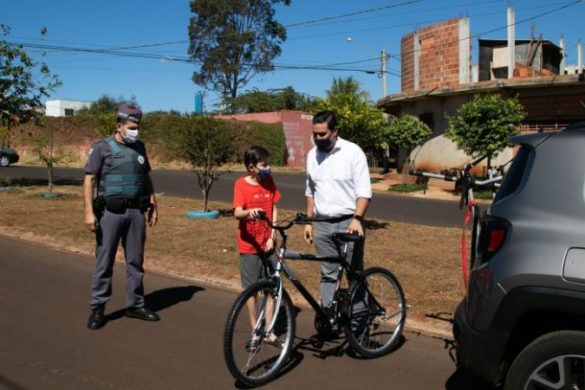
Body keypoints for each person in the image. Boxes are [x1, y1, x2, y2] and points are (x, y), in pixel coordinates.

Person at [83, 104, 159, 330]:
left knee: (136, 262)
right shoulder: (102, 148)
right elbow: (89, 180)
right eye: (131, 127)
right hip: (110, 213)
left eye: (138, 127)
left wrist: (154, 204)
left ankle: (135, 305)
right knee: (104, 262)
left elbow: (146, 178)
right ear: (119, 126)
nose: (135, 131)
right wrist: (88, 211)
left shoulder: (140, 148)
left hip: (136, 212)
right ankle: (98, 307)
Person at [303, 110, 372, 310]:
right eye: (315, 134)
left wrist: (357, 219)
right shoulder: (311, 155)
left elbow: (364, 192)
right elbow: (311, 191)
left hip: (348, 222)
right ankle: (329, 318)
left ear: (335, 131)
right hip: (322, 224)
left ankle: (359, 328)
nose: (317, 138)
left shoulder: (353, 152)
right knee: (328, 273)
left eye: (322, 134)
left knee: (354, 274)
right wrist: (309, 222)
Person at [233, 145, 281, 350]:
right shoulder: (241, 185)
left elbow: (274, 208)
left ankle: (269, 329)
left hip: (268, 244)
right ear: (252, 167)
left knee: (272, 287)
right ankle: (255, 330)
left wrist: (273, 234)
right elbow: (237, 212)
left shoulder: (269, 181)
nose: (268, 167)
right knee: (251, 290)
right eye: (264, 164)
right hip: (249, 246)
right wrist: (248, 212)